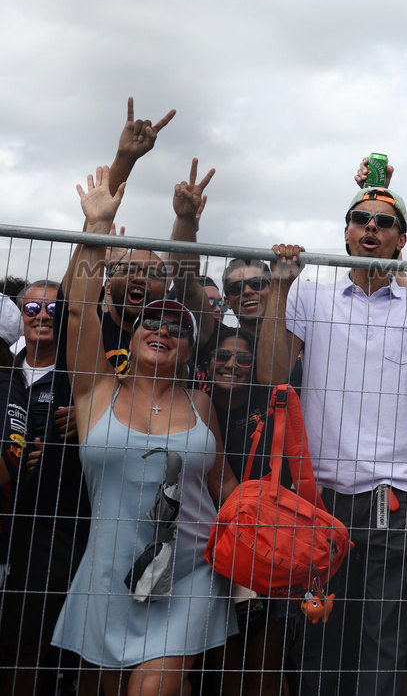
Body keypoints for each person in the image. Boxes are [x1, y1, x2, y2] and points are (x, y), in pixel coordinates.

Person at [256, 181, 407, 696]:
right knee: (318, 636)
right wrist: (282, 285)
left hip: (392, 496)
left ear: (402, 241)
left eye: (384, 221)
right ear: (347, 235)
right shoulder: (311, 292)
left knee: (385, 643)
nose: (371, 226)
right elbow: (271, 373)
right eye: (360, 219)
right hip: (319, 497)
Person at [52, 167, 237, 696]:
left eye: (179, 327)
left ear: (190, 348)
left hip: (188, 575)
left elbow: (222, 485)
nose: (163, 329)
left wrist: (275, 531)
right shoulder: (96, 391)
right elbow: (78, 311)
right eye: (152, 321)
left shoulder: (202, 402)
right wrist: (95, 229)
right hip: (109, 576)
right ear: (132, 336)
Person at [0, 280, 80, 696]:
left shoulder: (78, 378)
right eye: (31, 308)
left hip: (50, 528)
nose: (42, 316)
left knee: (29, 639)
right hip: (5, 521)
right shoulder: (4, 366)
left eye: (52, 309)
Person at [202, 329, 290, 696]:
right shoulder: (191, 404)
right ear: (206, 363)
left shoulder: (270, 405)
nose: (231, 365)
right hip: (208, 549)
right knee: (228, 672)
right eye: (222, 356)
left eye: (242, 359)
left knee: (265, 672)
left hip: (265, 546)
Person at [222, 259, 271, 334]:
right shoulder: (220, 341)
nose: (247, 291)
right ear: (227, 302)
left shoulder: (293, 337)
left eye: (257, 283)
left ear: (273, 292)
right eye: (236, 287)